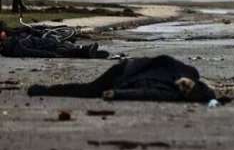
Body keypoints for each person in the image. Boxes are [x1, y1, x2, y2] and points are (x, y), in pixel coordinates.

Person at [27, 55, 217, 103]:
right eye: (187, 86)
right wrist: (181, 76)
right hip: (127, 70)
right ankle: (46, 90)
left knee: (89, 91)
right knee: (90, 90)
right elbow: (165, 59)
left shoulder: (173, 94)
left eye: (185, 91)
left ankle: (44, 91)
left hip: (125, 81)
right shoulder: (187, 70)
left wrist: (117, 94)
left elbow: (145, 94)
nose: (183, 87)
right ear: (194, 82)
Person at [0, 22, 108, 59]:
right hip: (42, 46)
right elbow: (29, 52)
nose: (4, 33)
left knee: (61, 45)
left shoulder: (12, 38)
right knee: (59, 50)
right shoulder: (9, 46)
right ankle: (83, 51)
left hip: (41, 41)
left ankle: (84, 51)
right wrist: (49, 55)